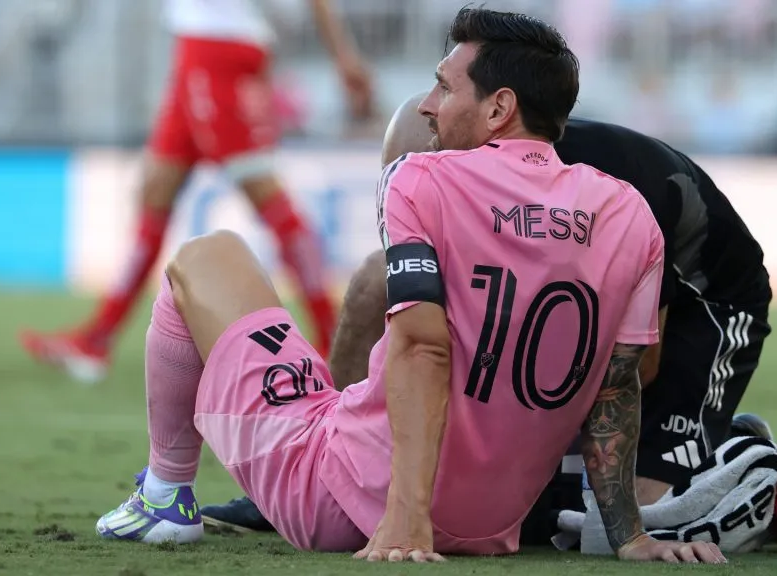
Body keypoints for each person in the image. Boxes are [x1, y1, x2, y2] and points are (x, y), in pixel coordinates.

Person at [94, 8, 726, 563]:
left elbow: (424, 348)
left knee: (207, 256)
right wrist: (630, 537)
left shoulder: (421, 178)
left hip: (349, 500)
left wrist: (407, 515)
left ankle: (164, 495)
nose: (427, 104)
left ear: (499, 108)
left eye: (443, 86)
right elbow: (618, 383)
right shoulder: (629, 214)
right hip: (490, 530)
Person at [202, 92, 774, 536]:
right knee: (379, 277)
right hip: (584, 299)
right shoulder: (451, 178)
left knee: (628, 512)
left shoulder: (599, 199)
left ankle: (730, 453)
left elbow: (632, 366)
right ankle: (334, 458)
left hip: (708, 305)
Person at [19, 0, 374, 382]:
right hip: (200, 46)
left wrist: (343, 55)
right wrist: (343, 55)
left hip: (216, 51)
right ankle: (97, 339)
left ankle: (337, 339)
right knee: (156, 190)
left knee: (268, 198)